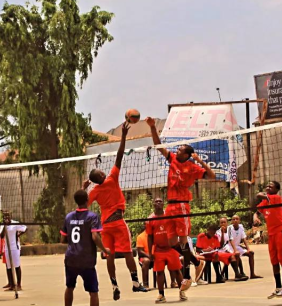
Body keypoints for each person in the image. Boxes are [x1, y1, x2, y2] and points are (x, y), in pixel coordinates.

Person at [146, 116, 215, 284]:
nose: (176, 151)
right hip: (170, 206)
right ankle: (197, 262)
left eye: (180, 150)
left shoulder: (192, 167)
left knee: (183, 241)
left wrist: (201, 161)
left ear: (187, 154)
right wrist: (153, 127)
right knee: (172, 242)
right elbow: (158, 145)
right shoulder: (173, 160)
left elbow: (212, 176)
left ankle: (189, 274)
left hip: (182, 206)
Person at [85, 121, 147, 299]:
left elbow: (83, 205)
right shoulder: (112, 178)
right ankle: (135, 283)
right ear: (102, 176)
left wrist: (84, 188)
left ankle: (114, 285)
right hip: (118, 222)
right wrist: (124, 136)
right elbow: (120, 155)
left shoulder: (94, 191)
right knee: (128, 252)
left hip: (105, 225)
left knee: (109, 255)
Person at [61, 190, 111, 306]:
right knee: (93, 291)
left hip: (71, 259)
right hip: (86, 260)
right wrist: (104, 249)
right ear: (87, 200)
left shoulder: (69, 217)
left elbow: (62, 240)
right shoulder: (92, 217)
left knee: (69, 287)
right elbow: (95, 237)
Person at [253, 182, 282, 299]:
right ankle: (278, 287)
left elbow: (259, 195)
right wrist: (255, 217)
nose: (268, 187)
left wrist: (262, 194)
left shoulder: (276, 198)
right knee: (274, 262)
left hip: (281, 233)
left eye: (271, 186)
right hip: (272, 235)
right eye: (267, 186)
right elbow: (257, 211)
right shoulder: (266, 202)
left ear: (276, 189)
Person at [147, 197, 189, 303]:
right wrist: (149, 252)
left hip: (172, 248)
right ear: (153, 204)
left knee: (177, 271)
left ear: (163, 204)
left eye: (160, 201)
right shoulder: (150, 219)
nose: (158, 203)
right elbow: (149, 237)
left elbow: (177, 228)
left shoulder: (169, 215)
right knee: (159, 273)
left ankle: (181, 292)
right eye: (156, 201)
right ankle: (161, 295)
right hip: (158, 250)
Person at [0, 211, 27, 291]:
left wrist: (19, 234)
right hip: (7, 248)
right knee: (9, 266)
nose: (6, 218)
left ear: (10, 216)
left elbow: (25, 228)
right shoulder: (3, 225)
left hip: (15, 247)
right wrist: (5, 226)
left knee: (17, 266)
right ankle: (11, 285)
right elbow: (1, 235)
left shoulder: (15, 223)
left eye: (8, 216)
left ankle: (19, 284)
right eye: (5, 217)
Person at [226, 215, 262, 279]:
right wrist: (235, 250)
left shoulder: (241, 227)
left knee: (251, 253)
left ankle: (252, 274)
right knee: (236, 254)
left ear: (239, 220)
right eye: (233, 219)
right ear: (231, 221)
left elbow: (244, 239)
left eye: (237, 219)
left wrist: (248, 249)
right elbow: (230, 240)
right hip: (230, 246)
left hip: (237, 246)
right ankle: (237, 274)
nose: (235, 220)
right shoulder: (229, 228)